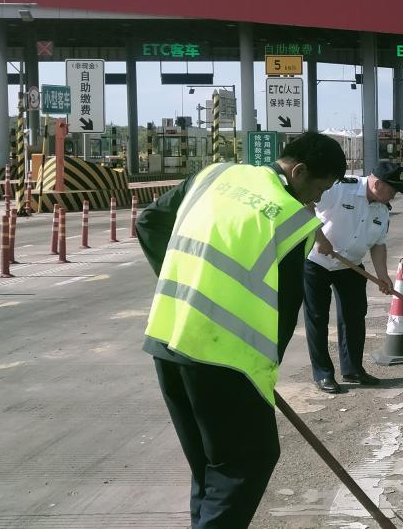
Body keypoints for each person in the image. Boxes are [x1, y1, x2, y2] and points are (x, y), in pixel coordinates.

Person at [137, 131, 347, 529]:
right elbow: (284, 311)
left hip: (167, 338)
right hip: (225, 359)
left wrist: (183, 285)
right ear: (299, 171)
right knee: (246, 462)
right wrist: (262, 377)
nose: (318, 200)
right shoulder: (291, 218)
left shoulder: (215, 175)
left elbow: (149, 221)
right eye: (320, 189)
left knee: (210, 465)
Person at [303, 165, 403, 393]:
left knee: (354, 317)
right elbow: (306, 204)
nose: (394, 195)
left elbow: (378, 244)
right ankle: (323, 374)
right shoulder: (341, 188)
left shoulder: (382, 210)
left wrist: (383, 275)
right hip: (317, 261)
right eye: (393, 190)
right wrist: (319, 237)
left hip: (350, 265)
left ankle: (353, 369)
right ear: (377, 183)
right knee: (318, 318)